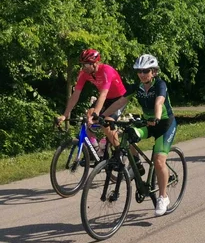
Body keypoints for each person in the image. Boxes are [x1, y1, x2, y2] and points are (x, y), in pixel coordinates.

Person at [102, 54, 176, 217]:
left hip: (164, 125)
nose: (142, 74)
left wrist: (156, 117)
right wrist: (102, 115)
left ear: (154, 72)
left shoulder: (160, 84)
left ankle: (163, 197)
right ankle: (137, 165)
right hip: (148, 123)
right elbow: (120, 102)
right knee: (127, 134)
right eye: (139, 71)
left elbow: (159, 102)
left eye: (146, 71)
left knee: (158, 160)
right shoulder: (137, 86)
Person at [56, 49, 126, 150]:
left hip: (119, 99)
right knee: (88, 116)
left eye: (87, 65)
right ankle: (95, 148)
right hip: (105, 98)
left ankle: (119, 152)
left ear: (96, 63)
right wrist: (64, 115)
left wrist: (96, 114)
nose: (85, 67)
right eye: (83, 65)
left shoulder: (107, 70)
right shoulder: (84, 73)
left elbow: (103, 93)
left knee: (106, 122)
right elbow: (76, 94)